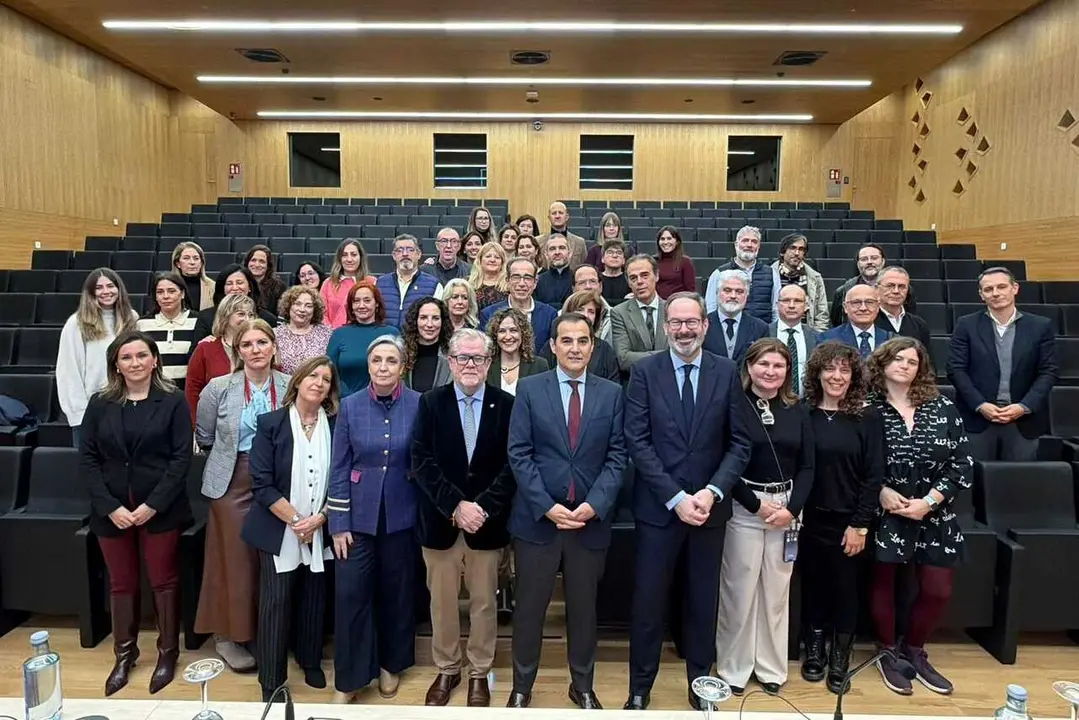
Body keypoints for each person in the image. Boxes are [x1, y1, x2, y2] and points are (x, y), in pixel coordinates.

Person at [622, 292, 752, 711]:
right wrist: (675, 497)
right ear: (665, 326)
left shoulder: (726, 371)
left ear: (705, 325)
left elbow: (739, 442)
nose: (683, 329)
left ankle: (702, 687)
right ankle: (639, 689)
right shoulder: (645, 372)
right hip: (659, 511)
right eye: (675, 322)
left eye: (691, 322)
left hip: (709, 512)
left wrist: (712, 492)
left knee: (702, 602)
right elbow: (637, 442)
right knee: (648, 604)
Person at [506, 313, 627, 709]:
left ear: (593, 346)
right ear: (553, 346)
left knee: (583, 611)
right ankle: (522, 686)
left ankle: (583, 685)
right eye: (567, 340)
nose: (575, 348)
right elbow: (519, 453)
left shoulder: (611, 393)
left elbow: (617, 456)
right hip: (539, 521)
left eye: (583, 340)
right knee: (529, 610)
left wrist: (594, 505)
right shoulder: (528, 388)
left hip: (588, 522)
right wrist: (547, 506)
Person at [81, 330, 192, 696]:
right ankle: (124, 655)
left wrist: (151, 505)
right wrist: (110, 506)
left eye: (142, 356)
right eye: (127, 357)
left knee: (163, 580)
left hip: (159, 508)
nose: (135, 363)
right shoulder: (100, 403)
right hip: (111, 510)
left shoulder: (173, 400)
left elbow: (180, 458)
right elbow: (88, 459)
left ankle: (167, 653)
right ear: (117, 363)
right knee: (122, 584)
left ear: (155, 360)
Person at [411, 329, 517, 707]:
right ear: (450, 362)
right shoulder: (430, 403)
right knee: (441, 603)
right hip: (441, 523)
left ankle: (478, 672)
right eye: (463, 358)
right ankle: (447, 668)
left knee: (485, 603)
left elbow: (512, 464)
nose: (470, 365)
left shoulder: (506, 405)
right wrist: (456, 506)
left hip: (486, 526)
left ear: (489, 363)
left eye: (478, 358)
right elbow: (421, 461)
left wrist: (482, 507)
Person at [868, 337, 972, 696]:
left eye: (912, 361)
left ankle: (914, 650)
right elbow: (856, 462)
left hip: (935, 513)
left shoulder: (942, 407)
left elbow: (962, 464)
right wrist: (880, 490)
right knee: (883, 585)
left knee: (937, 589)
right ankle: (886, 652)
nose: (904, 366)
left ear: (920, 368)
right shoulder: (868, 408)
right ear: (882, 364)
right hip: (887, 512)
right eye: (897, 359)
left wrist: (929, 500)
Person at [716, 338, 814, 697]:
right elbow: (724, 461)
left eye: (778, 366)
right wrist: (756, 505)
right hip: (745, 505)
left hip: (786, 508)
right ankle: (734, 667)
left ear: (788, 371)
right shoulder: (734, 405)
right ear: (749, 366)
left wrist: (792, 509)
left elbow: (808, 466)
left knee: (776, 592)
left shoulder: (797, 408)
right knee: (739, 590)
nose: (770, 372)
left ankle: (771, 667)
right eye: (763, 364)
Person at [328, 335, 421, 704]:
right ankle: (349, 680)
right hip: (356, 518)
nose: (383, 367)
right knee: (351, 596)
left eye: (391, 361)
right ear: (368, 366)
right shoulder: (349, 407)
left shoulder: (418, 404)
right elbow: (339, 467)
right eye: (377, 361)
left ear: (402, 367)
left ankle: (390, 665)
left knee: (396, 594)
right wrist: (338, 523)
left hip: (402, 515)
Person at [242, 356, 340, 700]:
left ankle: (310, 659)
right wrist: (298, 521)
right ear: (297, 381)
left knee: (315, 596)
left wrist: (320, 519)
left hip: (320, 526)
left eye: (326, 379)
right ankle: (271, 678)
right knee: (276, 602)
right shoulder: (270, 423)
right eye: (313, 376)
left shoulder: (336, 423)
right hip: (280, 527)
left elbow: (340, 481)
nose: (318, 383)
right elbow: (262, 484)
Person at [195, 319, 291, 672]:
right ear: (239, 351)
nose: (256, 350)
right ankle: (229, 636)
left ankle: (268, 633)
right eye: (248, 344)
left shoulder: (289, 383)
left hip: (277, 480)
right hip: (232, 480)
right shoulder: (218, 388)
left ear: (273, 347)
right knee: (235, 561)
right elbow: (205, 435)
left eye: (262, 343)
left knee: (271, 560)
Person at [799, 341, 883, 693]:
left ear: (853, 376)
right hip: (808, 520)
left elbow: (874, 474)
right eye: (829, 369)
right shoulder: (803, 412)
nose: (836, 376)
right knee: (814, 587)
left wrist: (860, 524)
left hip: (850, 521)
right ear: (817, 373)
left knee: (847, 591)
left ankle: (840, 656)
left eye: (844, 370)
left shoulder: (867, 416)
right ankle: (815, 650)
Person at [947, 266, 1057, 462]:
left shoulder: (1040, 326)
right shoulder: (966, 324)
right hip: (978, 420)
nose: (995, 293)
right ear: (981, 295)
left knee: (1018, 485)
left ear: (1015, 288)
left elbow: (1048, 371)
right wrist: (980, 405)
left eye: (1001, 287)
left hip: (1023, 421)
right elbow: (956, 369)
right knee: (974, 483)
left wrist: (1024, 406)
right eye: (988, 289)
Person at [57, 267, 140, 447]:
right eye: (99, 287)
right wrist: (79, 413)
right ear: (90, 292)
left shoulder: (131, 318)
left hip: (127, 406)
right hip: (91, 410)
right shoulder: (77, 323)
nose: (106, 292)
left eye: (110, 286)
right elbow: (68, 371)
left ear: (119, 288)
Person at [186, 295, 255, 426]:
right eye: (241, 314)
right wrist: (197, 425)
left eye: (251, 314)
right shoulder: (206, 348)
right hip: (215, 425)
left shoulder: (260, 347)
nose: (247, 319)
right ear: (226, 316)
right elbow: (192, 390)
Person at [327, 280, 400, 398]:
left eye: (367, 300)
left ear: (376, 303)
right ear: (351, 306)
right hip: (345, 402)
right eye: (356, 301)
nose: (361, 305)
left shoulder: (392, 333)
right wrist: (351, 399)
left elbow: (399, 372)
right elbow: (330, 372)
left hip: (384, 401)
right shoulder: (339, 334)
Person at [479, 258, 559, 354]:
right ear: (507, 281)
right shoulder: (489, 314)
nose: (521, 284)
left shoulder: (549, 314)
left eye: (527, 278)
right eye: (516, 277)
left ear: (535, 283)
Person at [830, 244, 917, 328]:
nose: (869, 262)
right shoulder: (844, 291)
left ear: (883, 261)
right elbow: (836, 323)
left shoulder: (904, 290)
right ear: (858, 264)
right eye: (864, 259)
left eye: (874, 258)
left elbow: (909, 321)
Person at [611, 255, 669, 379]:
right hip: (637, 381)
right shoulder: (619, 313)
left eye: (644, 275)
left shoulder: (673, 309)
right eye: (633, 278)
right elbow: (624, 359)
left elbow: (683, 352)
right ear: (628, 283)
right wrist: (667, 356)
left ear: (657, 276)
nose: (639, 281)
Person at [704, 226, 779, 323]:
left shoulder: (771, 273)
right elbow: (711, 307)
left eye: (754, 242)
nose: (749, 245)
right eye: (745, 240)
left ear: (758, 247)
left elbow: (776, 309)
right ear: (736, 245)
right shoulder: (719, 273)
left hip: (763, 333)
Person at [191, 265, 278, 346]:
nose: (235, 288)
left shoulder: (268, 319)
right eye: (229, 284)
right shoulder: (206, 317)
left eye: (239, 283)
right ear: (223, 289)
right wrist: (202, 345)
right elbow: (193, 356)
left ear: (250, 287)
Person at [545, 290, 620, 384]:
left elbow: (613, 385)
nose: (585, 315)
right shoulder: (552, 345)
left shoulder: (605, 349)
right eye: (580, 309)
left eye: (591, 312)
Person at [137, 273, 198, 388]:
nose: (165, 296)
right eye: (160, 292)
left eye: (171, 291)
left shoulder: (198, 321)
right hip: (154, 391)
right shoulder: (142, 324)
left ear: (182, 294)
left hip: (188, 391)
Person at [703, 269, 768, 367]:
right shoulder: (702, 325)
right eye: (727, 290)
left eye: (739, 291)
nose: (733, 296)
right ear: (717, 293)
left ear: (747, 295)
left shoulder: (760, 328)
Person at [376, 234, 443, 329]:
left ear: (419, 254)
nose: (405, 254)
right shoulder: (380, 284)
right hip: (387, 341)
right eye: (400, 250)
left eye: (410, 250)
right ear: (394, 256)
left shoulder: (434, 285)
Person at [770, 233, 829, 333]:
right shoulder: (769, 275)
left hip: (806, 332)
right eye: (792, 248)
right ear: (782, 252)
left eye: (801, 249)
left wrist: (816, 337)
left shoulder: (815, 278)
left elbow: (822, 313)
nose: (797, 253)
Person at [769, 284, 820, 396]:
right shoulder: (764, 333)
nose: (791, 305)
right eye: (786, 300)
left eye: (797, 301)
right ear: (777, 305)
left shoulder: (817, 338)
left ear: (806, 306)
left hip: (806, 405)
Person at [486, 307, 549, 396]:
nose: (508, 337)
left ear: (523, 334)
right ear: (495, 336)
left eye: (513, 330)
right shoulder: (486, 365)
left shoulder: (539, 365)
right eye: (502, 331)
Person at [819, 284, 893, 359]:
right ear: (845, 307)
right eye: (856, 303)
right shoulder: (827, 339)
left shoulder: (891, 340)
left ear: (878, 307)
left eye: (869, 302)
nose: (863, 308)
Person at [274, 286, 332, 375]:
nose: (302, 309)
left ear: (314, 310)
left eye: (308, 306)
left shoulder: (327, 333)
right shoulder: (275, 334)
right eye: (297, 304)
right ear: (288, 306)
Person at [402, 297, 453, 393]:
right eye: (423, 318)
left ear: (443, 322)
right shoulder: (402, 354)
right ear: (415, 320)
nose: (429, 324)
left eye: (435, 318)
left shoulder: (452, 356)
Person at [875, 267, 931, 350]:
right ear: (877, 289)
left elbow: (927, 360)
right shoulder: (867, 321)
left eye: (901, 287)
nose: (896, 291)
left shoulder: (919, 324)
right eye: (890, 286)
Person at [321, 239, 370, 329]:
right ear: (339, 259)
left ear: (361, 257)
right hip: (332, 335)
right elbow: (322, 313)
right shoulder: (328, 283)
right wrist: (332, 333)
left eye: (354, 255)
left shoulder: (371, 282)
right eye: (344, 255)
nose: (349, 259)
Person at [569, 265, 612, 342]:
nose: (588, 286)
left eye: (592, 281)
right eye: (582, 282)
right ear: (573, 288)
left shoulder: (615, 316)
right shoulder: (560, 315)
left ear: (600, 286)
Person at [537, 201, 587, 267]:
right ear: (549, 218)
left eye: (560, 213)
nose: (557, 216)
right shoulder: (538, 241)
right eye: (554, 213)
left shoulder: (580, 242)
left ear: (567, 217)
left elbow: (583, 267)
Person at [244, 244, 286, 317]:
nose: (257, 265)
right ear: (247, 263)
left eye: (262, 261)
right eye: (253, 260)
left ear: (268, 266)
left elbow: (282, 314)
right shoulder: (240, 284)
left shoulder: (279, 286)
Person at [172, 241, 215, 311]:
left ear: (201, 263)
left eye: (196, 258)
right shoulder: (169, 286)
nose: (192, 262)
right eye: (186, 258)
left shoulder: (213, 286)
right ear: (178, 263)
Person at [655, 226, 696, 299]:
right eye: (662, 239)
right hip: (657, 304)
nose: (665, 242)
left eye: (669, 238)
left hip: (677, 303)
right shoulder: (653, 261)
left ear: (677, 241)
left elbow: (690, 291)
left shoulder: (685, 262)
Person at [534, 234, 574, 307]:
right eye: (552, 249)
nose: (557, 252)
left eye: (562, 248)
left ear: (570, 253)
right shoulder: (538, 281)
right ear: (546, 255)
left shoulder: (577, 279)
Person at [469, 242, 509, 311]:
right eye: (488, 256)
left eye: (497, 257)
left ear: (502, 263)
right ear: (480, 260)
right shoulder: (468, 284)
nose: (492, 260)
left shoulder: (509, 285)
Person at [600, 239, 631, 307]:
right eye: (610, 252)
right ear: (602, 259)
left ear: (623, 260)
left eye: (619, 253)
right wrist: (624, 301)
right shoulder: (596, 279)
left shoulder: (630, 279)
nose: (614, 256)